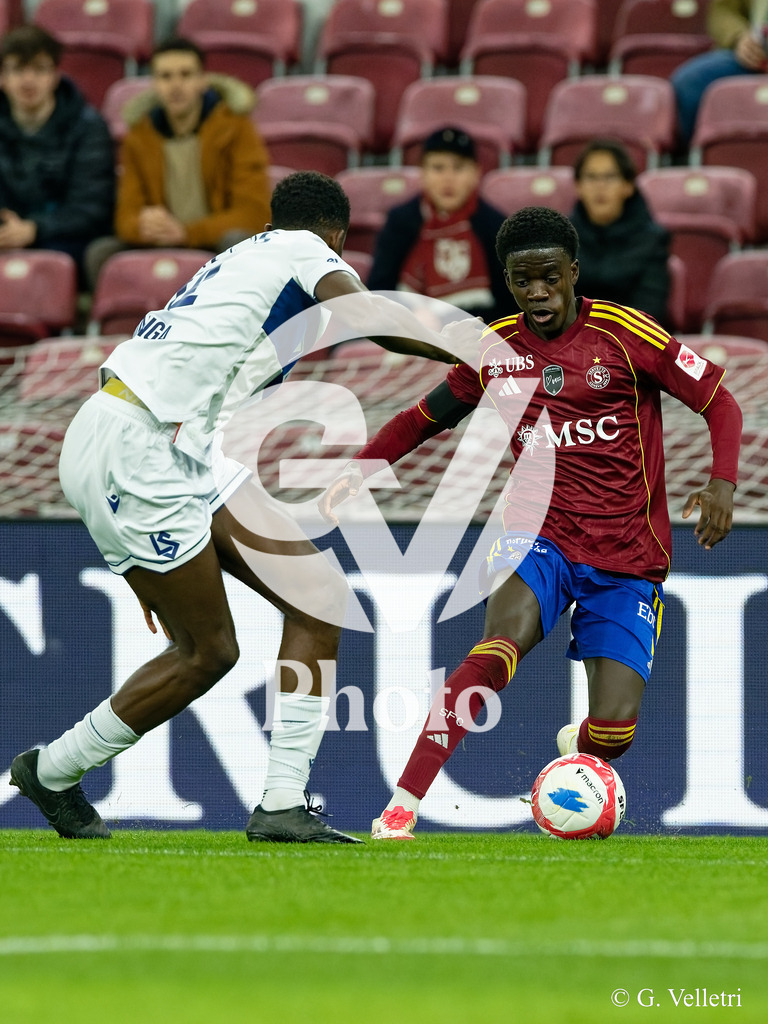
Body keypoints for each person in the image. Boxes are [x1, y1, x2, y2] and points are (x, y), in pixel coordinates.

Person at [9, 170, 477, 844]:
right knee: (208, 652)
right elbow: (372, 318)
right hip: (140, 448)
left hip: (175, 444)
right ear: (336, 237)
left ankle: (283, 803)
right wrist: (476, 347)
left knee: (320, 598)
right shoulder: (302, 250)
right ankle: (53, 770)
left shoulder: (244, 255)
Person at [320, 205, 742, 841]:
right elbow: (426, 416)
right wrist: (361, 468)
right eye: (522, 281)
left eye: (549, 278)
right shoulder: (496, 348)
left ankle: (580, 751)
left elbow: (719, 400)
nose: (537, 292)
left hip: (627, 551)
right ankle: (401, 807)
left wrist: (722, 483)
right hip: (537, 533)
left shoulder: (625, 333)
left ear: (573, 273)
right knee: (497, 647)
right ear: (508, 283)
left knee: (615, 732)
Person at [85, 37, 271, 290]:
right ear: (154, 84)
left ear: (203, 80)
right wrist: (143, 226)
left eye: (185, 75)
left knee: (238, 243)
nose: (175, 85)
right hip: (161, 241)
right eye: (165, 76)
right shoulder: (139, 136)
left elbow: (252, 214)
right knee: (101, 252)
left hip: (212, 241)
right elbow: (125, 217)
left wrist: (186, 233)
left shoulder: (237, 129)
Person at [0, 25, 114, 280]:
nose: (28, 80)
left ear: (55, 76)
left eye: (39, 69)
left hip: (65, 239)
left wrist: (34, 229)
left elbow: (92, 207)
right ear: (3, 77)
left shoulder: (88, 127)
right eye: (18, 69)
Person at [367, 126, 508, 323]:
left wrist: (450, 322)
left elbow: (509, 303)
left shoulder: (495, 226)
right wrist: (411, 316)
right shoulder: (401, 220)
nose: (448, 179)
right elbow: (379, 290)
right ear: (423, 173)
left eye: (458, 168)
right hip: (407, 327)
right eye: (438, 168)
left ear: (476, 173)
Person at [569, 138, 670, 327]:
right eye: (591, 177)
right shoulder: (561, 239)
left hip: (629, 339)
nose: (600, 186)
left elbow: (648, 314)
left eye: (609, 177)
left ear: (628, 186)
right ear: (578, 186)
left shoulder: (652, 241)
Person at [671, 0, 768, 146]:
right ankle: (694, 154)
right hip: (754, 57)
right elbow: (723, 12)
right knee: (691, 83)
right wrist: (739, 37)